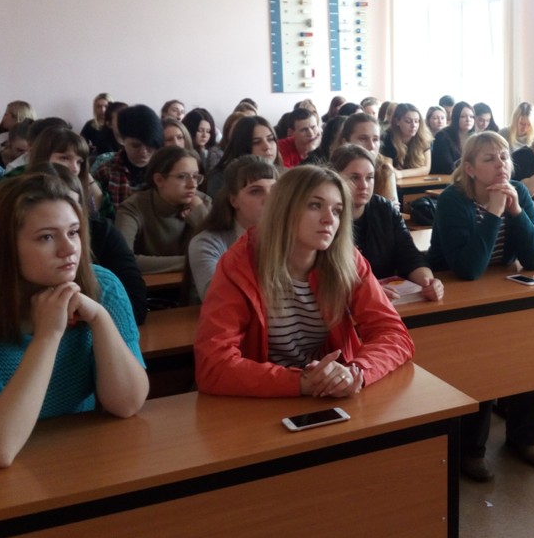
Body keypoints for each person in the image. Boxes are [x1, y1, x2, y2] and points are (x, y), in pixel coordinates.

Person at [0, 171, 148, 467]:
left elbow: (127, 404)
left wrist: (100, 318)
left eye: (73, 232)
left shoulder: (103, 288)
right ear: (5, 247)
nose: (69, 249)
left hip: (70, 449)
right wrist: (47, 336)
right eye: (46, 237)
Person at [194, 165, 415, 397]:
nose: (329, 219)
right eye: (315, 205)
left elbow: (394, 334)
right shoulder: (239, 265)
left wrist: (355, 372)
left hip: (331, 391)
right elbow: (213, 366)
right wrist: (301, 382)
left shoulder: (346, 259)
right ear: (284, 209)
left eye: (337, 211)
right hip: (263, 397)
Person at [426, 132, 534, 481]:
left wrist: (516, 211)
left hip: (499, 294)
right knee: (481, 360)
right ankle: (471, 448)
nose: (501, 165)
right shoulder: (453, 200)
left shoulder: (518, 192)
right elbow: (467, 270)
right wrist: (495, 213)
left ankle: (523, 437)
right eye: (489, 159)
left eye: (504, 157)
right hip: (453, 301)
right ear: (469, 169)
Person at [27, 163, 148, 324]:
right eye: (47, 236)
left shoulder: (104, 277)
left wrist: (95, 315)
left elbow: (136, 307)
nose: (70, 248)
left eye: (74, 205)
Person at [331, 145, 443, 303]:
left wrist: (429, 282)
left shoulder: (384, 209)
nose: (364, 185)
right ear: (335, 179)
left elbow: (409, 255)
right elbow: (326, 276)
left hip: (389, 301)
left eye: (369, 177)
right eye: (354, 178)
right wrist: (368, 289)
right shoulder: (327, 217)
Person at [188, 156, 276, 301]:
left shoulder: (288, 236)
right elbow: (218, 298)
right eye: (255, 191)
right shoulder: (206, 243)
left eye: (274, 190)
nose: (269, 199)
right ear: (234, 201)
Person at [114, 145, 211, 275]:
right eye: (182, 177)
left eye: (195, 176)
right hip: (148, 285)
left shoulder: (202, 203)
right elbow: (123, 259)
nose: (192, 185)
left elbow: (223, 252)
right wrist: (192, 261)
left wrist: (200, 214)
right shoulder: (133, 207)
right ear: (159, 180)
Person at [94, 104, 163, 212]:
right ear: (122, 140)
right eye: (136, 146)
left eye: (149, 145)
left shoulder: (165, 168)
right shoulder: (106, 171)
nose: (143, 151)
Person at [207, 115, 282, 197]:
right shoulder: (221, 178)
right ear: (242, 146)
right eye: (256, 142)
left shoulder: (284, 174)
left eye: (270, 139)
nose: (267, 146)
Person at [341, 112, 397, 203]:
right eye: (363, 139)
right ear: (346, 142)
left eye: (375, 139)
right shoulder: (335, 171)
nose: (371, 146)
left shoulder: (385, 170)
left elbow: (392, 209)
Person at [380, 103, 432, 179]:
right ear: (397, 121)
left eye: (417, 121)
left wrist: (401, 174)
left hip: (416, 181)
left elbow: (426, 169)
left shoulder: (423, 137)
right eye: (408, 121)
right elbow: (388, 169)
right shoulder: (387, 137)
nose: (413, 125)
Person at [430, 101, 475, 175]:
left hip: (468, 176)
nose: (468, 120)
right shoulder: (442, 136)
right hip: (445, 178)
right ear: (455, 118)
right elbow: (448, 167)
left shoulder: (476, 137)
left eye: (471, 117)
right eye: (463, 116)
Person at [182, 108, 222, 174]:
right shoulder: (182, 152)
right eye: (200, 130)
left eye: (208, 131)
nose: (204, 135)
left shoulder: (214, 153)